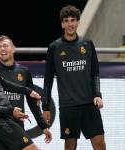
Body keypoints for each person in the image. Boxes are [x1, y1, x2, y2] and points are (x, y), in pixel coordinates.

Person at [0, 36, 52, 150]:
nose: (2, 49)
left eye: (5, 46)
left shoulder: (24, 71)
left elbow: (32, 102)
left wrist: (43, 126)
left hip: (18, 127)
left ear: (13, 48)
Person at [42, 5, 106, 150]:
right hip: (68, 106)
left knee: (100, 144)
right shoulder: (54, 48)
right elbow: (48, 79)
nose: (70, 24)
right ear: (62, 24)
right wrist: (46, 107)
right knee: (70, 145)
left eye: (73, 20)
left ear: (78, 22)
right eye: (66, 21)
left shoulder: (88, 44)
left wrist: (97, 94)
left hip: (90, 104)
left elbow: (95, 73)